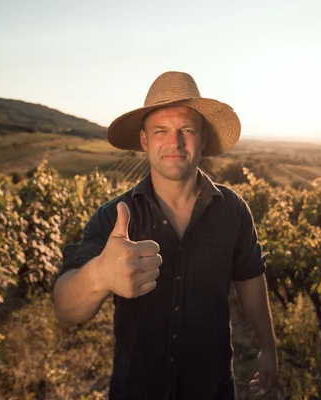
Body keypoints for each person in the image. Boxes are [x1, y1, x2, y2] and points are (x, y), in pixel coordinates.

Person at [52, 71, 278, 399]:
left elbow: (251, 282)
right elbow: (64, 309)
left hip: (212, 390)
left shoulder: (234, 211)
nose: (175, 142)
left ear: (202, 139)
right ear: (145, 140)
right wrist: (99, 274)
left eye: (186, 130)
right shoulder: (113, 217)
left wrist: (268, 347)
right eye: (161, 131)